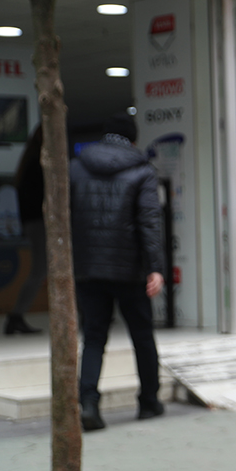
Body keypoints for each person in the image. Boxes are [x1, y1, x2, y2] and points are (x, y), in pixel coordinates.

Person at [71, 112, 166, 431]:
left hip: (88, 268)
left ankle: (88, 403)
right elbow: (149, 221)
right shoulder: (142, 170)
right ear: (134, 139)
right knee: (142, 335)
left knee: (94, 337)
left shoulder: (76, 167)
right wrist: (155, 267)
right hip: (130, 270)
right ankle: (149, 402)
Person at [5, 125, 45, 335]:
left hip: (34, 223)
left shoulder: (29, 164)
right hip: (39, 224)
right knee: (39, 271)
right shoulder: (36, 166)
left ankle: (16, 316)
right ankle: (16, 316)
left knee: (41, 271)